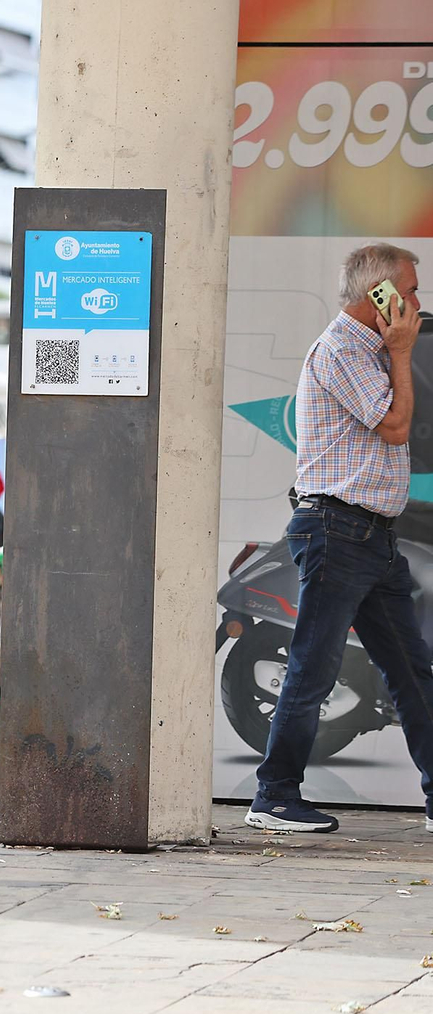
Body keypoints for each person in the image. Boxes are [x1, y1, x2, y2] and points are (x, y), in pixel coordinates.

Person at [247, 243, 433, 835]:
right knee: (314, 665)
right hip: (338, 528)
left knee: (411, 670)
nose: (417, 302)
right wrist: (403, 350)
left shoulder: (371, 352)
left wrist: (397, 349)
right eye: (409, 290)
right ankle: (273, 797)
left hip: (373, 536)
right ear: (378, 295)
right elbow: (397, 426)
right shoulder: (343, 350)